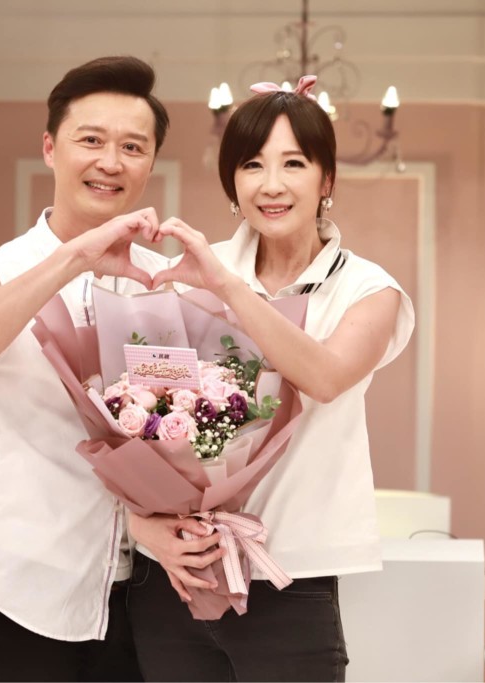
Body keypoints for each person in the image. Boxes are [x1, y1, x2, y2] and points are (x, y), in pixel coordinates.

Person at [0, 55, 217, 682]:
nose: (111, 162)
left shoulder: (163, 282)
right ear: (50, 149)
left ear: (150, 163)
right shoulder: (0, 270)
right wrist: (75, 258)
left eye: (132, 147)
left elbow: (179, 437)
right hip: (29, 583)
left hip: (145, 590)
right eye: (91, 140)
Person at [128, 75, 415, 682]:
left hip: (291, 577)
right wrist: (151, 527)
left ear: (327, 180)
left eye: (294, 163)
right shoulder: (190, 274)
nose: (272, 184)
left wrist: (228, 288)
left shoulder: (368, 289)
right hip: (179, 572)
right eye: (253, 165)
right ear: (233, 181)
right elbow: (143, 410)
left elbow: (324, 378)